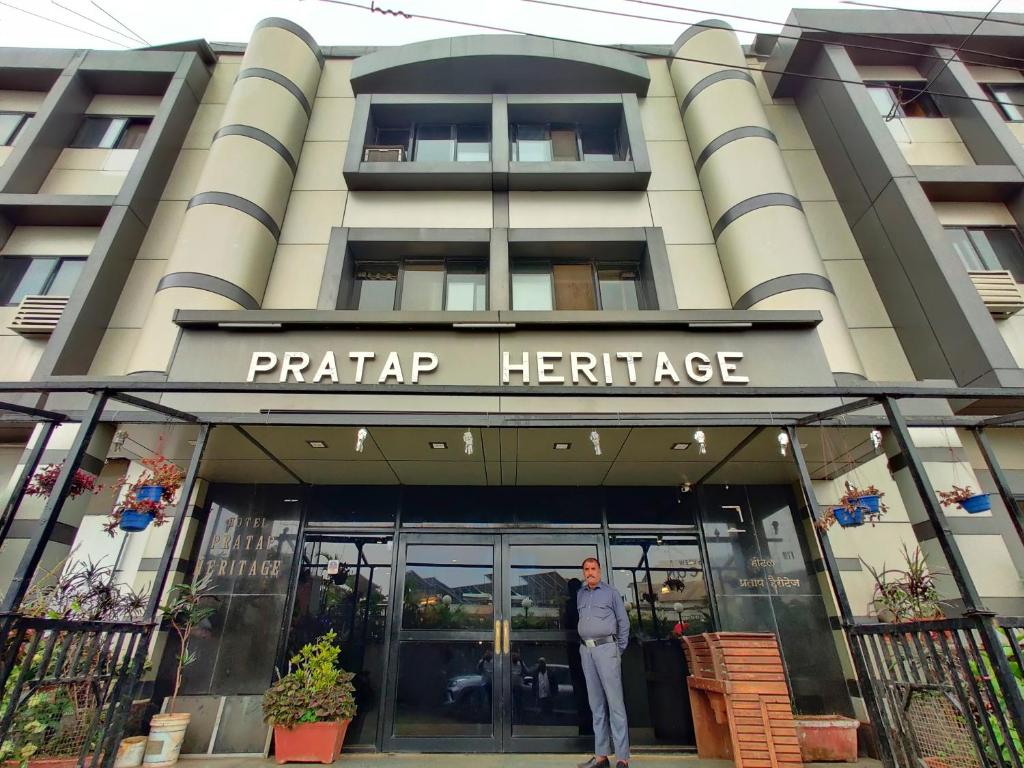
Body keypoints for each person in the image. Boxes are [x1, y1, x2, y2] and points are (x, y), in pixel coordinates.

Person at [576, 556, 630, 768]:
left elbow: (623, 623)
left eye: (593, 568)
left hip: (607, 649)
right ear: (584, 572)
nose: (590, 572)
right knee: (596, 704)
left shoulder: (611, 593)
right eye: (586, 569)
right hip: (586, 651)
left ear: (599, 571)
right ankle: (601, 757)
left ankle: (622, 758)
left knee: (615, 704)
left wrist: (617, 650)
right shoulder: (580, 594)